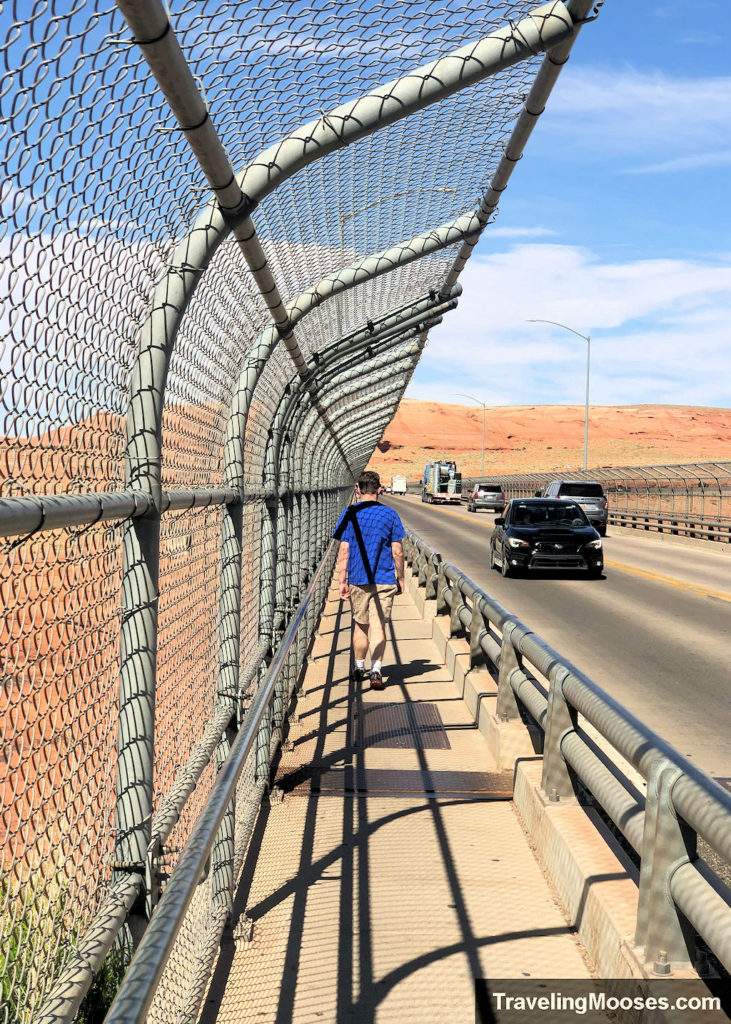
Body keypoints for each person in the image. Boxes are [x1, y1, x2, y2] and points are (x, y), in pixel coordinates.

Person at [332, 470, 406, 690]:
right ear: (379, 490)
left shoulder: (349, 513)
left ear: (357, 490)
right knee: (379, 626)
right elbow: (398, 551)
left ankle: (358, 667)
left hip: (357, 577)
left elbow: (344, 550)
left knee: (360, 624)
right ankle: (376, 670)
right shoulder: (390, 514)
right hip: (384, 578)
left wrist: (341, 580)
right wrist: (400, 578)